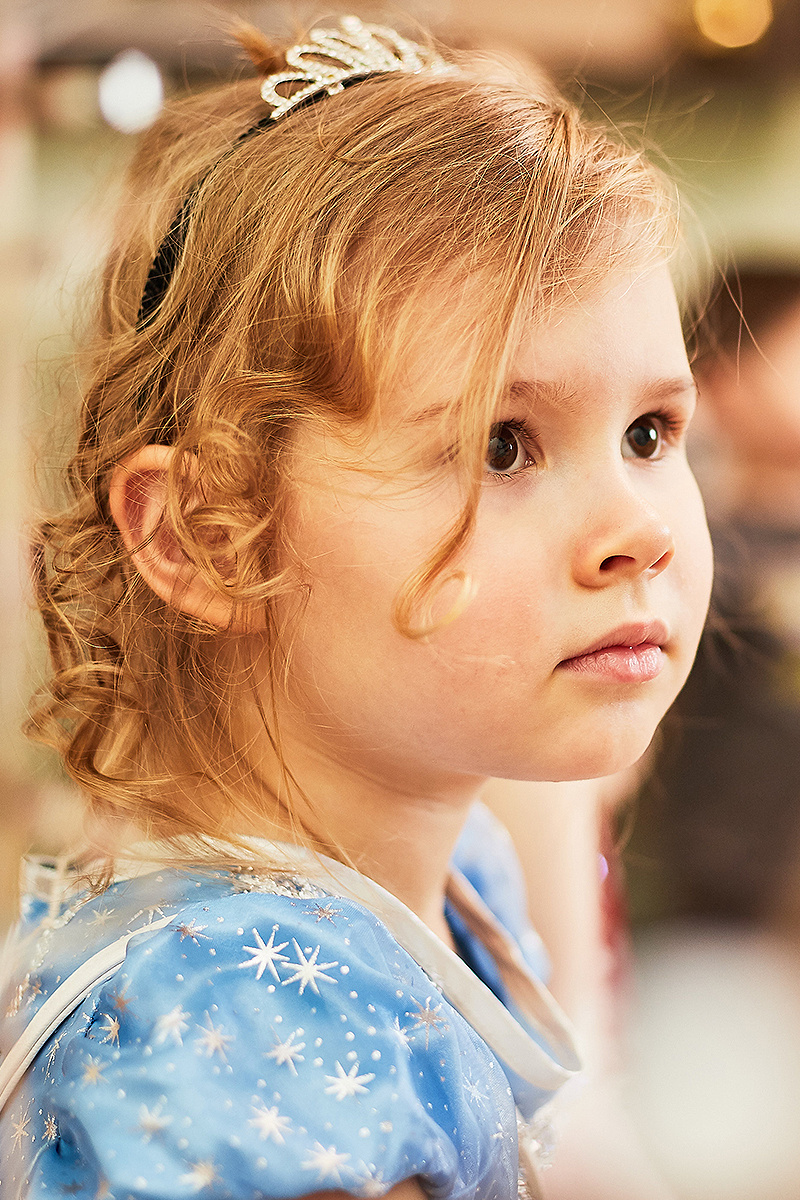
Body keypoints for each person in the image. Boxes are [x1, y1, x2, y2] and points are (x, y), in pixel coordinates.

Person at [0, 16, 712, 1200]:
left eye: (648, 432)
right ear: (202, 537)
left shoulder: (453, 860)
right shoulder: (239, 1028)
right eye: (502, 444)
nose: (637, 528)